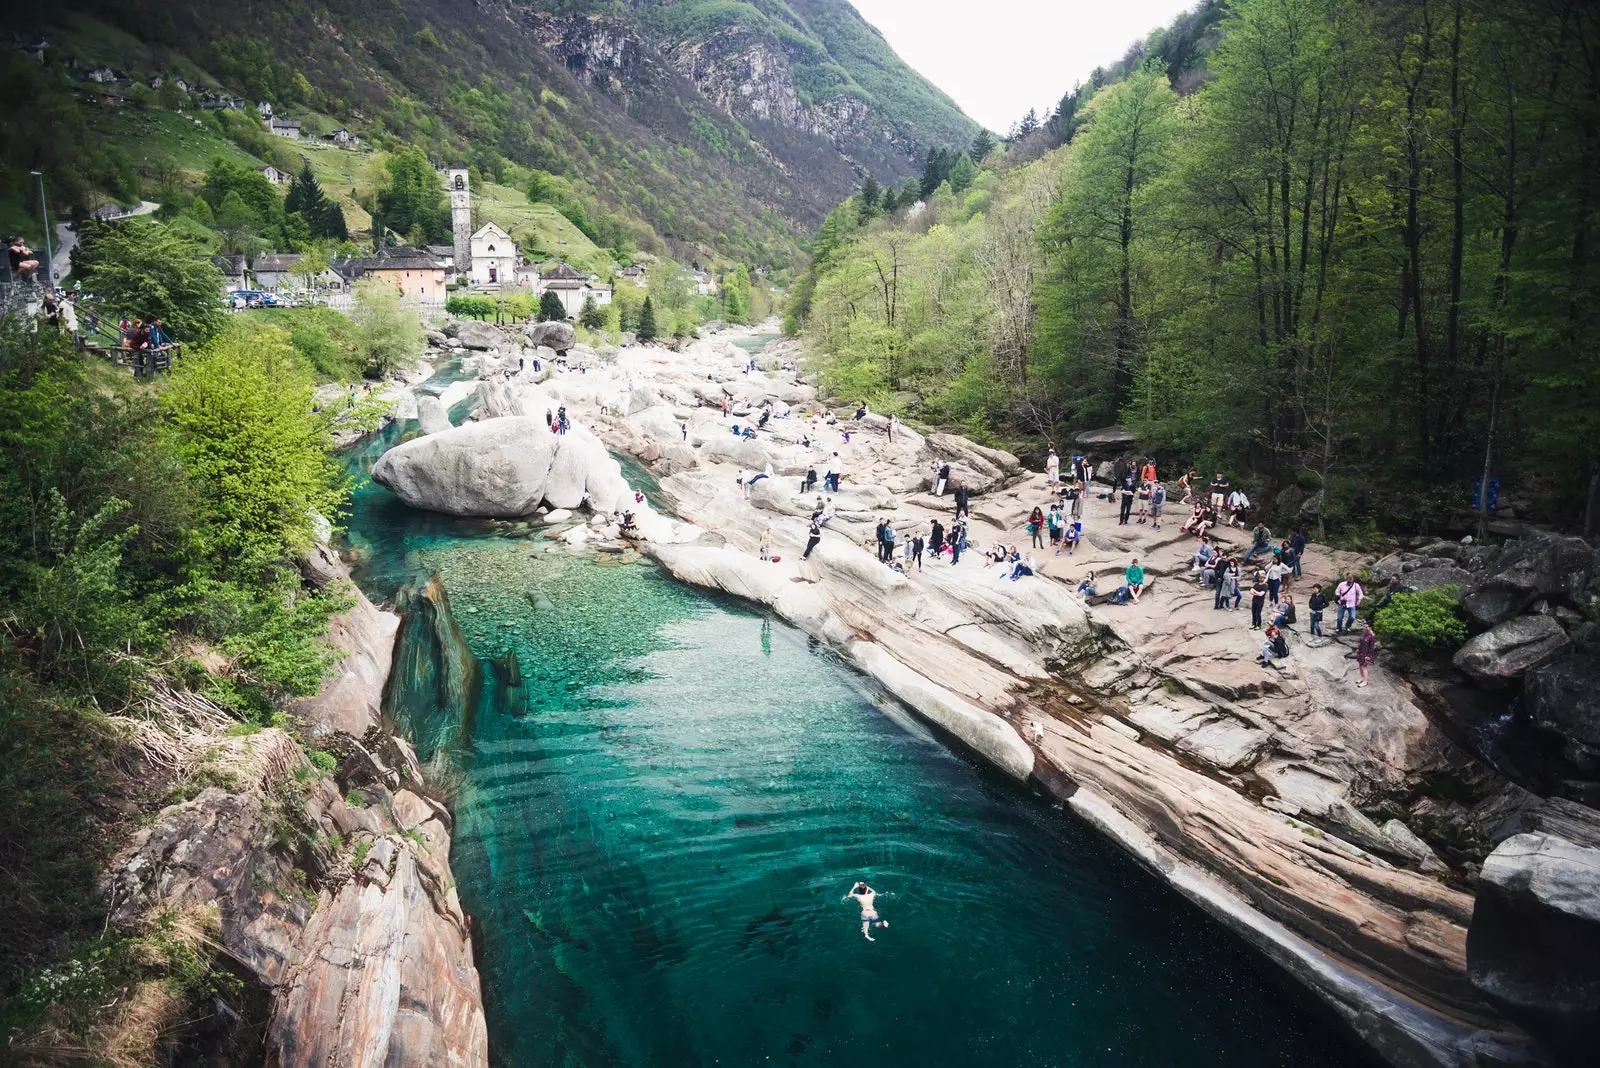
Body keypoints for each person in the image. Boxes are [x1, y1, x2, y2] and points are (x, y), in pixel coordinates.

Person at [1356, 621, 1379, 687]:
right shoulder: (1366, 633)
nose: (1365, 628)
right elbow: (1361, 641)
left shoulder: (1372, 635)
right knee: (1360, 665)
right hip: (1361, 651)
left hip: (1366, 653)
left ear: (1370, 627)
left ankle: (1365, 681)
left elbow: (1372, 647)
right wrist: (1358, 649)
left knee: (1364, 666)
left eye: (1366, 627)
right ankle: (1362, 678)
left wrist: (1369, 656)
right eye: (1365, 626)